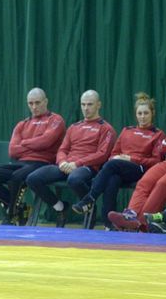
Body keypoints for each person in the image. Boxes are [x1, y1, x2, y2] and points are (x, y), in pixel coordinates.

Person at [72, 93, 164, 230]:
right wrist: (117, 159)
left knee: (112, 165)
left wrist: (130, 159)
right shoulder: (127, 130)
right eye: (139, 113)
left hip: (141, 170)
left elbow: (156, 161)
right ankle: (109, 224)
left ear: (152, 114)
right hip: (119, 168)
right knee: (112, 178)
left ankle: (90, 198)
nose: (142, 117)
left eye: (146, 113)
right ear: (136, 114)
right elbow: (114, 153)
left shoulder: (158, 134)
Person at [25, 90, 116, 227]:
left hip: (87, 167)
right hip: (66, 165)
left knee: (74, 179)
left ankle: (89, 205)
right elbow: (62, 149)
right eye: (83, 104)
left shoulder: (106, 128)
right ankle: (60, 207)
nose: (86, 108)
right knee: (32, 179)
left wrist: (77, 164)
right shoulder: (74, 127)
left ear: (99, 105)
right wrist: (62, 162)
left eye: (90, 104)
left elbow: (102, 154)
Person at [0, 88, 65, 225]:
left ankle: (11, 215)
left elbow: (46, 141)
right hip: (20, 163)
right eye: (30, 103)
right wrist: (36, 143)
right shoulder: (22, 124)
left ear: (46, 102)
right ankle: (20, 209)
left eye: (37, 103)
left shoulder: (56, 120)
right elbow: (13, 151)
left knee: (17, 176)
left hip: (42, 164)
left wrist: (24, 143)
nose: (34, 107)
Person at [108, 124, 166, 232]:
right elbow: (165, 145)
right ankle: (130, 216)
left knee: (162, 184)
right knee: (145, 182)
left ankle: (142, 223)